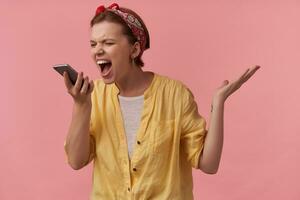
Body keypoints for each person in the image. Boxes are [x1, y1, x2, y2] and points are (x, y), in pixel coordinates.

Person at [62, 3, 260, 200]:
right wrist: (81, 105)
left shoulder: (175, 95)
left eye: (108, 43)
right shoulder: (92, 96)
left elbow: (209, 164)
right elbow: (76, 161)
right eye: (93, 44)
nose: (97, 51)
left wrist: (218, 103)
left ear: (134, 49)